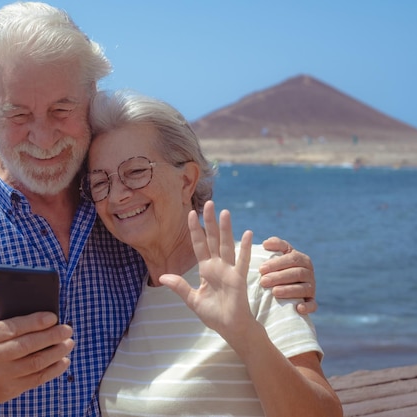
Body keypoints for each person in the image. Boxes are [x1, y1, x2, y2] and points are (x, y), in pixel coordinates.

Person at [0, 3, 318, 417]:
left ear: (90, 97)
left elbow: (181, 229)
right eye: (17, 114)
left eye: (61, 109)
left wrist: (275, 273)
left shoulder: (109, 197)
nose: (42, 136)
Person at [84, 91, 342, 416]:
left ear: (187, 179)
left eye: (136, 172)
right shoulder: (119, 292)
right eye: (100, 182)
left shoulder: (258, 273)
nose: (118, 194)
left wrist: (246, 335)